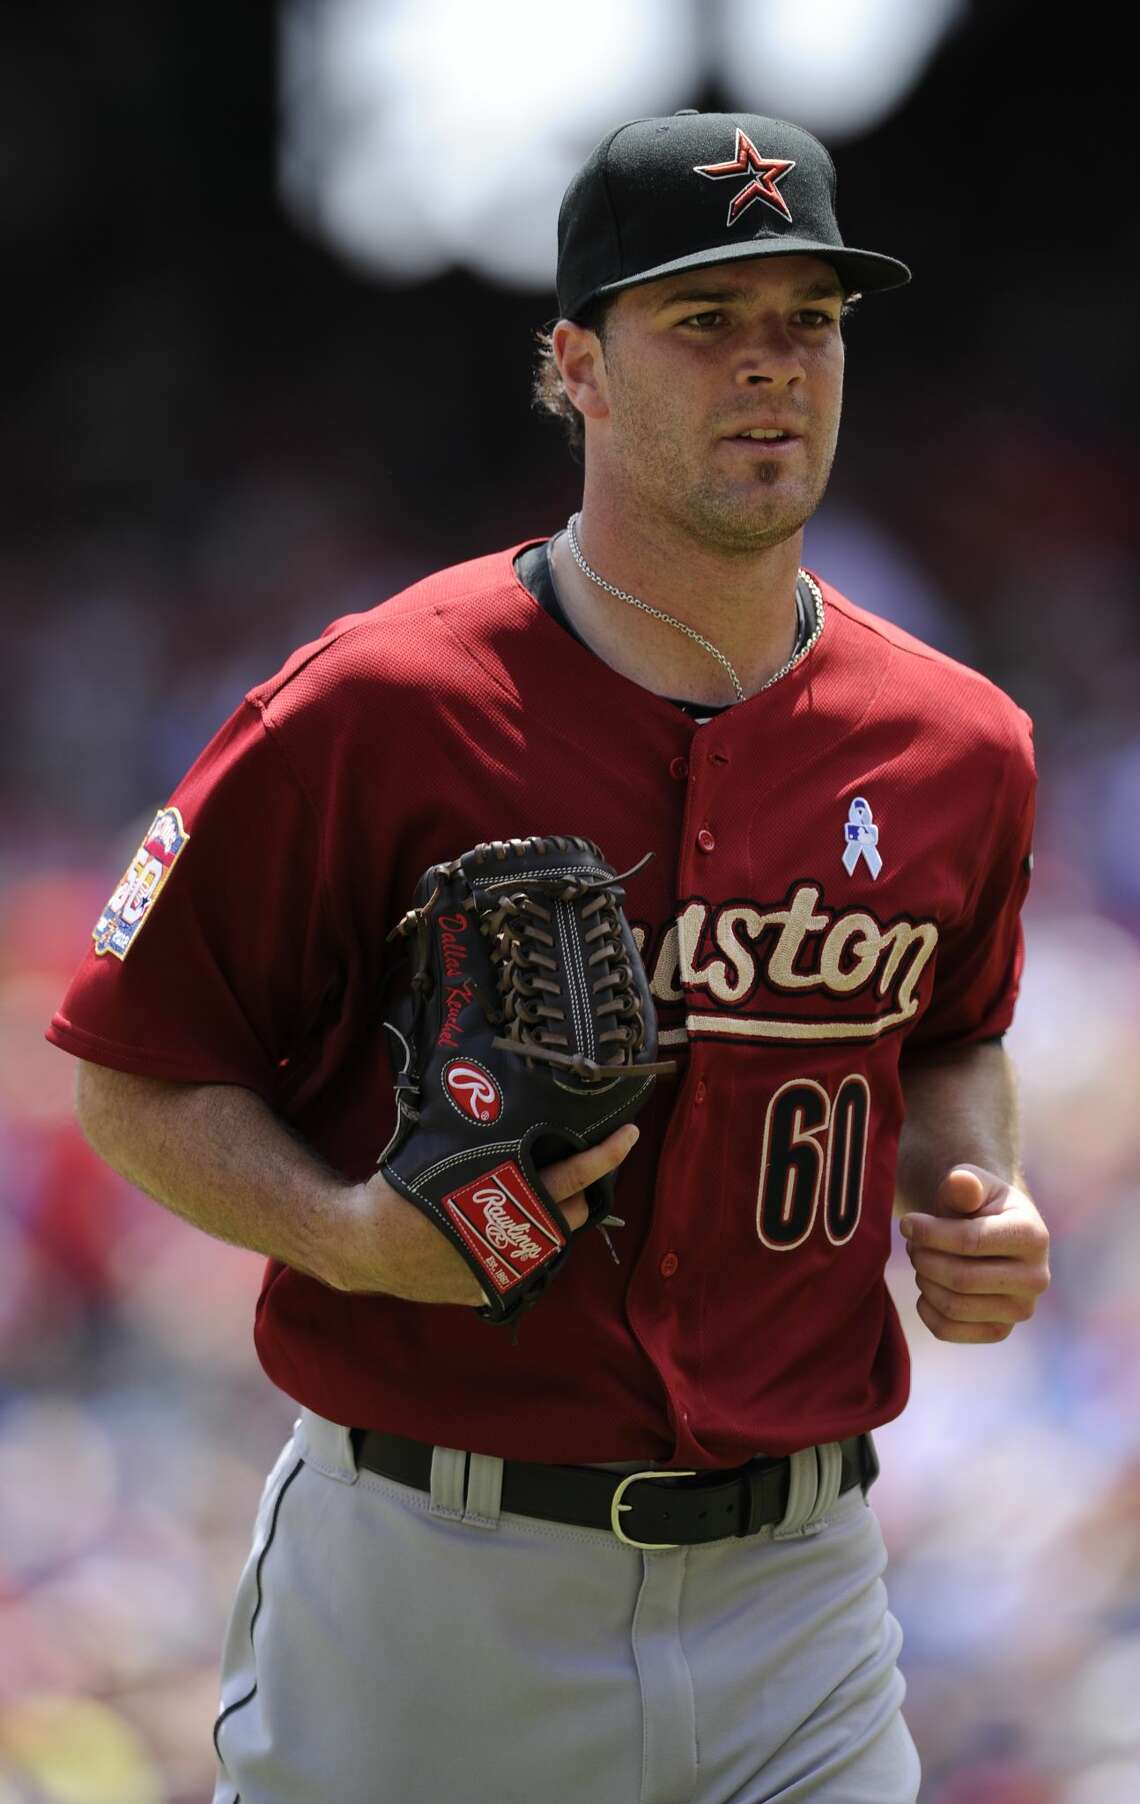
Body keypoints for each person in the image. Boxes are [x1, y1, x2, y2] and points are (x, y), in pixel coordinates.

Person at [48, 110, 1051, 1804]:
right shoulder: (379, 704)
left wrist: (974, 1198)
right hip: (440, 1578)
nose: (771, 370)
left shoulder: (963, 745)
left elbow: (951, 1034)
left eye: (808, 321)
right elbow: (135, 1069)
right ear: (575, 365)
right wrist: (347, 1236)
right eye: (706, 322)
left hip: (802, 1584)